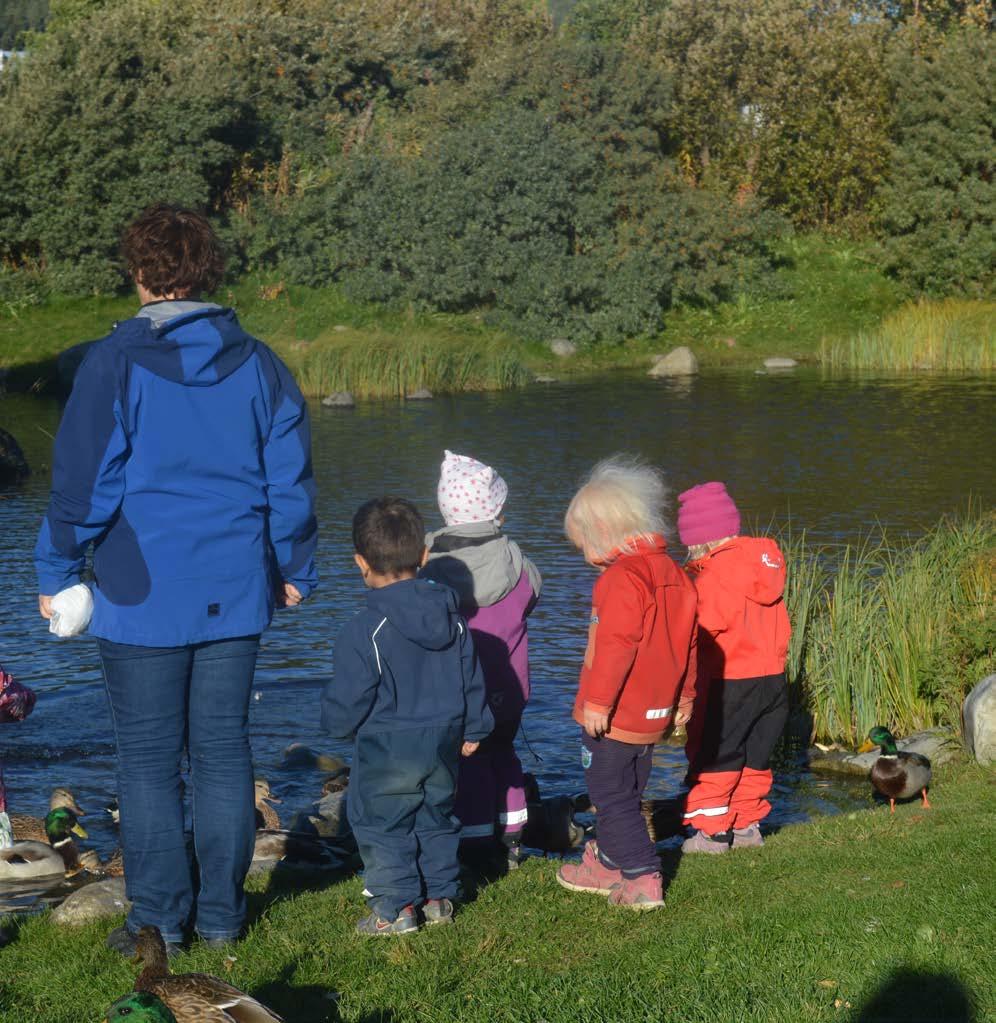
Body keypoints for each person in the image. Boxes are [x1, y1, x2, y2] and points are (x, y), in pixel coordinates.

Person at [34, 204, 317, 952]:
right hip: (235, 591)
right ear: (208, 272)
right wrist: (293, 567)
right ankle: (222, 920)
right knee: (225, 752)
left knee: (150, 762)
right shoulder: (260, 363)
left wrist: (55, 568)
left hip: (141, 595)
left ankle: (159, 924)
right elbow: (289, 479)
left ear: (140, 274)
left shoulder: (114, 360)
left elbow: (83, 485)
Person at [322, 497, 493, 936]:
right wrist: (476, 725)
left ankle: (395, 909)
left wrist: (337, 726)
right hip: (444, 738)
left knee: (382, 821)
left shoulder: (365, 628)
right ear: (423, 556)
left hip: (389, 742)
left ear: (361, 562)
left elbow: (351, 693)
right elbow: (470, 675)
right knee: (435, 813)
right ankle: (438, 897)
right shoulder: (453, 619)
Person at [556, 456, 698, 910]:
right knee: (629, 787)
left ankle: (641, 875)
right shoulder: (675, 574)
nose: (585, 557)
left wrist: (597, 702)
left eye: (583, 546)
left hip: (615, 713)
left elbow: (615, 646)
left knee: (608, 793)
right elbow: (689, 643)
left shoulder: (621, 579)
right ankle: (607, 861)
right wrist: (686, 696)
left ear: (603, 534)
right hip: (653, 711)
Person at [421, 450, 541, 869]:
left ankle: (473, 841)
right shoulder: (516, 562)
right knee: (504, 754)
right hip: (509, 686)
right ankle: (511, 834)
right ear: (495, 513)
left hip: (455, 691)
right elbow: (532, 594)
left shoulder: (430, 566)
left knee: (466, 761)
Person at [677, 481, 790, 853]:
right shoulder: (764, 564)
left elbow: (701, 634)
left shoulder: (713, 578)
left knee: (718, 754)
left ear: (699, 540)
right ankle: (747, 826)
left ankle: (711, 833)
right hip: (773, 680)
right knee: (755, 755)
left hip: (732, 680)